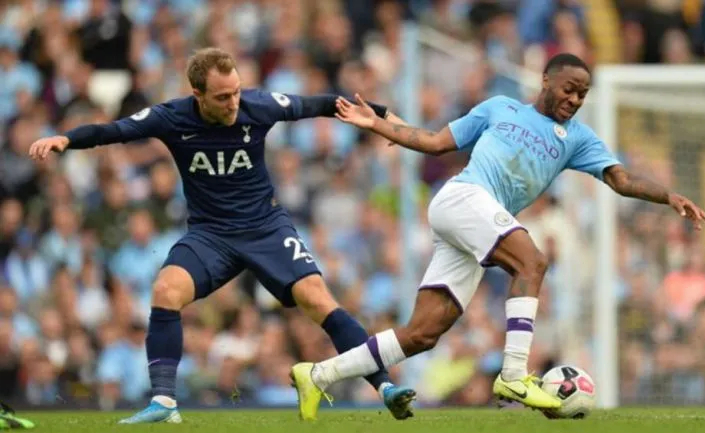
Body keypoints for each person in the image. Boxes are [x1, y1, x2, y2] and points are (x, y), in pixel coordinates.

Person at [290, 53, 705, 420]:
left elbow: (619, 179)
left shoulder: (578, 139)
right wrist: (378, 125)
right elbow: (436, 142)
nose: (575, 100)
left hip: (476, 224)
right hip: (462, 198)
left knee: (423, 333)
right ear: (546, 80)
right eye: (569, 89)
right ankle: (513, 375)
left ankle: (318, 374)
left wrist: (667, 195)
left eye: (582, 95)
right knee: (533, 261)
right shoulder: (499, 107)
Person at [28, 47, 415, 423]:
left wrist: (382, 117)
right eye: (223, 97)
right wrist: (67, 139)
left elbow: (324, 104)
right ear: (197, 95)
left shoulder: (259, 106)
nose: (233, 103)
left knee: (317, 299)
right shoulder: (172, 117)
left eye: (236, 92)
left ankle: (384, 388)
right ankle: (164, 402)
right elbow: (116, 130)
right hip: (211, 235)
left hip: (265, 227)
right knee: (166, 291)